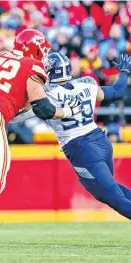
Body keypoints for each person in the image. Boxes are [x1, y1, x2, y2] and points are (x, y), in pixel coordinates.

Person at [0, 29, 83, 240]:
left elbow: (11, 92)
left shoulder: (0, 57)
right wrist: (67, 111)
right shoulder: (34, 66)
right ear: (35, 49)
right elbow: (42, 108)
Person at [41, 52, 131, 220]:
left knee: (113, 197)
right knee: (113, 190)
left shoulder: (46, 94)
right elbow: (117, 92)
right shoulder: (86, 84)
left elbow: (32, 110)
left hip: (82, 149)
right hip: (101, 141)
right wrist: (124, 72)